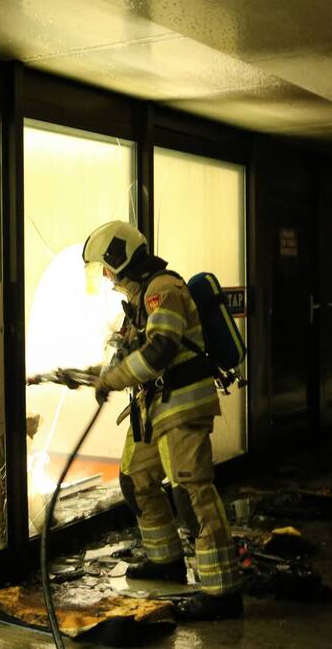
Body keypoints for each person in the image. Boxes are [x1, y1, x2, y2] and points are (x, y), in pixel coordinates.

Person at [83, 220, 242, 620]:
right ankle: (165, 561)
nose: (105, 275)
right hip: (154, 409)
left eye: (105, 266)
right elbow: (131, 353)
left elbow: (160, 350)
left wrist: (113, 378)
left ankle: (222, 592)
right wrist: (95, 373)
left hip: (182, 407)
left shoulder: (162, 290)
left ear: (120, 259)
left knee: (191, 493)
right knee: (135, 479)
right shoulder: (139, 300)